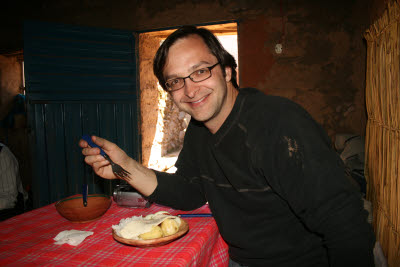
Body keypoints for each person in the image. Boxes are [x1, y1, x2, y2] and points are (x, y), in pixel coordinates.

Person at [80, 26, 375, 266]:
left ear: (226, 71)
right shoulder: (199, 130)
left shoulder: (277, 124)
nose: (190, 89)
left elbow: (345, 224)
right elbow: (190, 192)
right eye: (175, 81)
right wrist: (126, 167)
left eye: (199, 71)